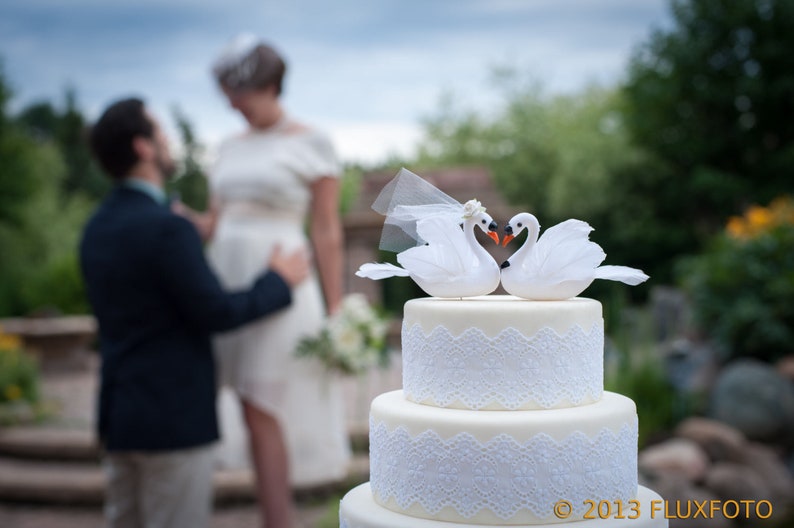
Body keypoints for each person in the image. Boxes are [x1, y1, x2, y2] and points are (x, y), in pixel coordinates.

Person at [79, 97, 311, 528]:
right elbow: (216, 312)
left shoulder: (96, 227)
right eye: (160, 132)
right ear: (143, 147)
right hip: (173, 424)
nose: (168, 142)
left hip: (119, 420)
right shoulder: (167, 228)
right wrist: (277, 280)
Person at [178, 34, 351, 528]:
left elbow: (326, 228)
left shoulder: (313, 141)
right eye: (228, 93)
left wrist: (336, 309)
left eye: (240, 92)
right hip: (226, 281)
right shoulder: (227, 147)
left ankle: (279, 520)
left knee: (263, 400)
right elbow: (217, 220)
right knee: (235, 396)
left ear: (270, 85)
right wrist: (180, 224)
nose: (232, 103)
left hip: (284, 283)